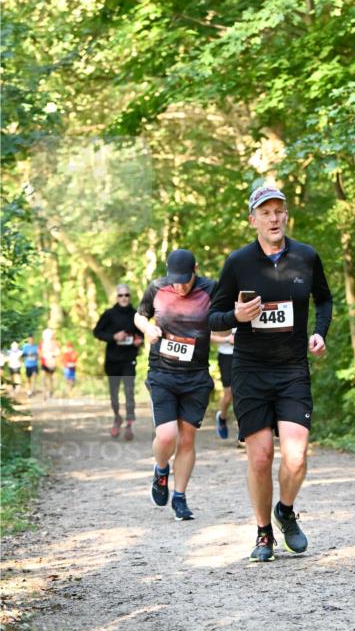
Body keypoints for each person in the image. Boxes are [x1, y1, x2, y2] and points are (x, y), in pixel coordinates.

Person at [209, 185, 333, 562]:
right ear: (253, 220)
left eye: (279, 211)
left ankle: (286, 511)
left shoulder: (306, 257)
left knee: (296, 456)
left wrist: (318, 332)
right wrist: (236, 317)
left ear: (286, 216)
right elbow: (212, 316)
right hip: (250, 369)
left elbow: (324, 299)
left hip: (292, 368)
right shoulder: (238, 262)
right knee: (260, 457)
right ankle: (264, 533)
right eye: (266, 212)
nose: (274, 218)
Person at [134, 249, 217, 521]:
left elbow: (223, 321)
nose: (180, 285)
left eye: (185, 279)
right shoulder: (157, 287)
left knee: (187, 439)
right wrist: (148, 329)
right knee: (167, 435)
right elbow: (139, 316)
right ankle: (160, 470)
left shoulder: (210, 289)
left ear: (196, 269)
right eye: (176, 279)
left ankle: (180, 497)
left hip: (196, 376)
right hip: (163, 373)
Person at [93, 285, 144, 440]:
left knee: (129, 390)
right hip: (113, 360)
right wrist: (113, 337)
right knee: (114, 394)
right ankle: (117, 418)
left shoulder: (137, 315)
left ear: (130, 296)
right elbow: (97, 332)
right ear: (116, 297)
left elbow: (141, 335)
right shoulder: (109, 314)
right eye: (121, 295)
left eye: (127, 295)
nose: (124, 298)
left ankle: (129, 422)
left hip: (129, 359)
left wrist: (138, 341)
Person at [215, 328, 235, 440]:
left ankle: (242, 432)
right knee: (229, 394)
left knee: (242, 393)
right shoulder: (221, 311)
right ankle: (222, 418)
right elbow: (210, 337)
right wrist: (228, 339)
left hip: (246, 354)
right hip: (226, 355)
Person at [39, 328, 60, 399]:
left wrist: (52, 354)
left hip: (51, 363)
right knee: (44, 377)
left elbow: (58, 352)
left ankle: (51, 391)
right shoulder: (42, 343)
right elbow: (39, 352)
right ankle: (45, 392)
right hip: (44, 362)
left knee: (50, 378)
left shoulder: (54, 343)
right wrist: (43, 356)